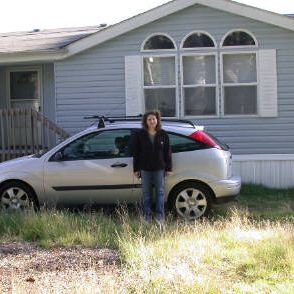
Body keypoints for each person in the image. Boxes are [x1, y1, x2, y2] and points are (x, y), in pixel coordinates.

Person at [133, 110, 172, 225]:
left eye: (154, 119)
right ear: (145, 121)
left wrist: (169, 168)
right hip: (145, 168)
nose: (151, 121)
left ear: (157, 120)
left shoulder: (163, 134)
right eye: (149, 119)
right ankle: (147, 216)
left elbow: (168, 152)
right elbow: (136, 153)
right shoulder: (140, 135)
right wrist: (136, 169)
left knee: (160, 192)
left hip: (159, 168)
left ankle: (160, 217)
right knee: (146, 193)